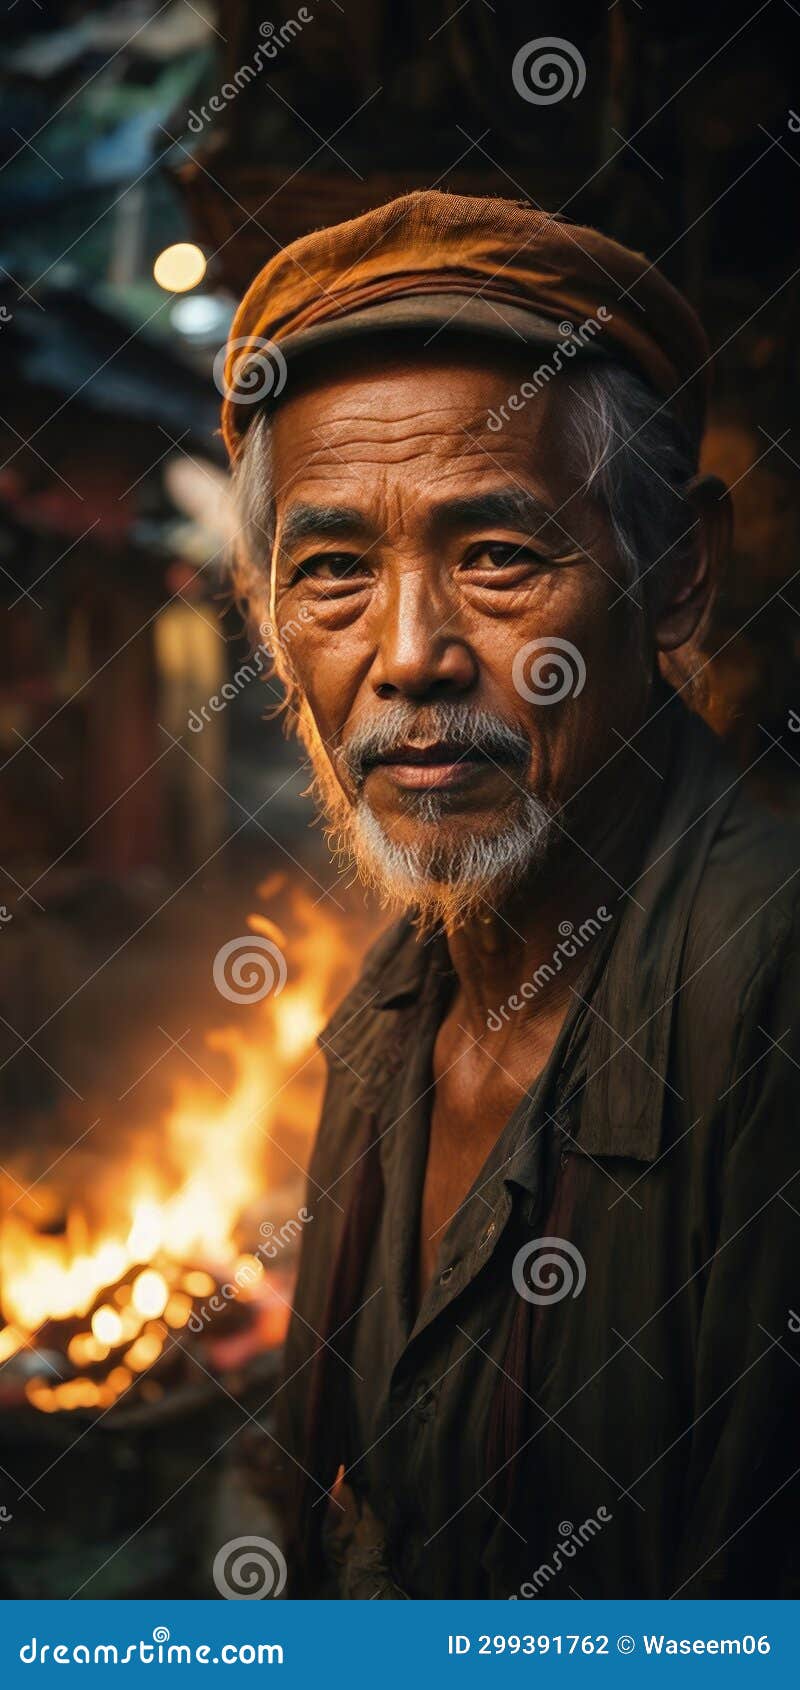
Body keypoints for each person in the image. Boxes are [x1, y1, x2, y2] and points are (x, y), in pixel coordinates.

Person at [223, 191, 800, 1598]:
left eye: (496, 556)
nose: (410, 654)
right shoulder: (392, 1013)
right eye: (335, 572)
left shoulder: (771, 999)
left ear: (674, 577)